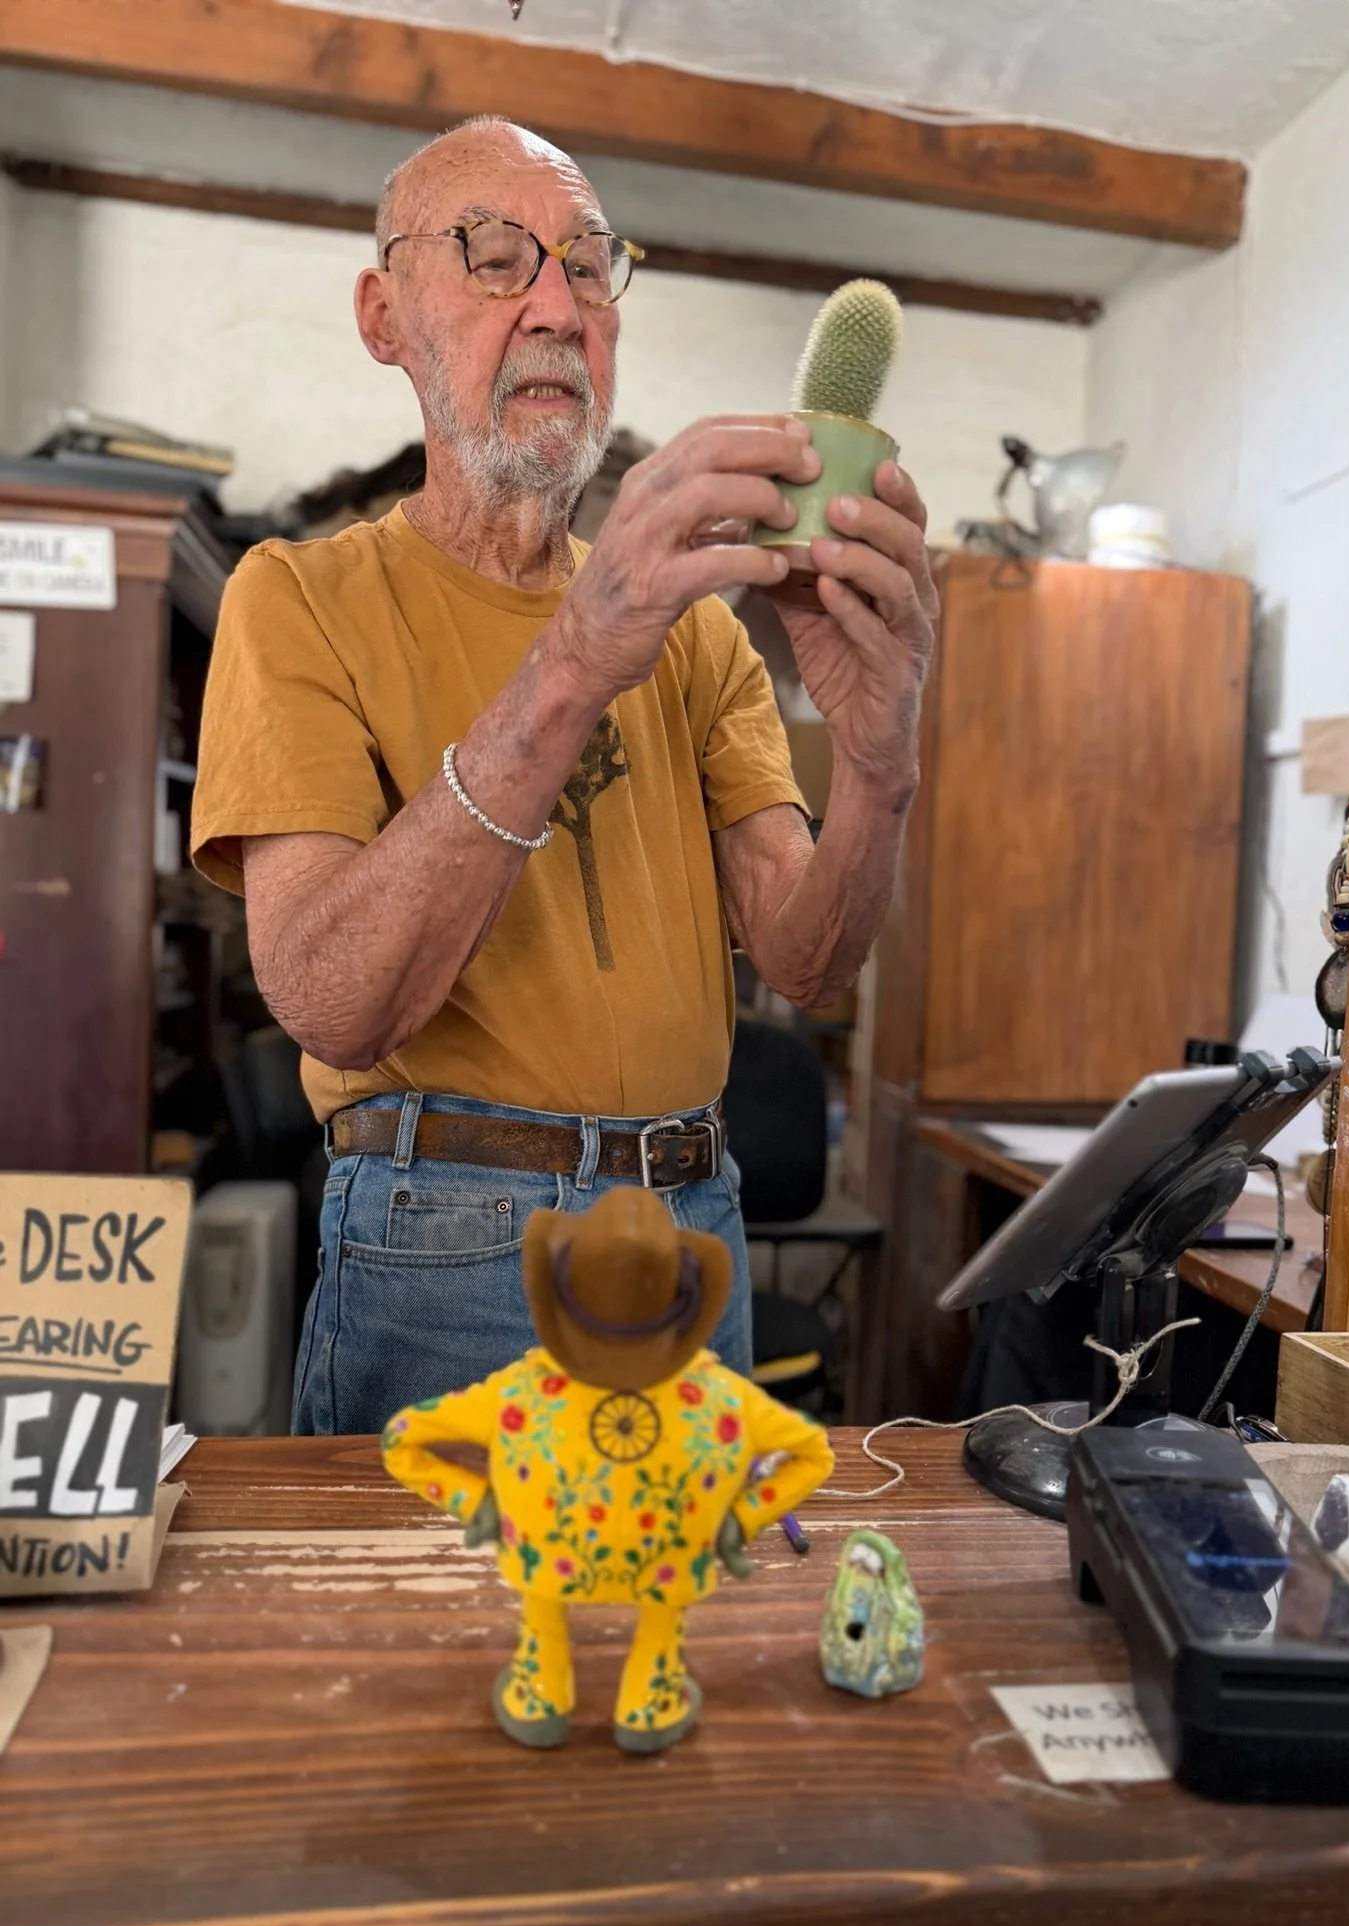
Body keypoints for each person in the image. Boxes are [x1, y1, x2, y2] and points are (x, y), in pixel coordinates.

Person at [190, 115, 937, 1436]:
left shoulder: (701, 628)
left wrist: (880, 766)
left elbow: (811, 965)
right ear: (385, 317)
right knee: (439, 1642)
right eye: (493, 256)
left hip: (692, 1229)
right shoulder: (295, 597)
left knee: (681, 1627)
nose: (555, 306)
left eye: (589, 268)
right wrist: (582, 652)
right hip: (444, 1242)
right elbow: (330, 998)